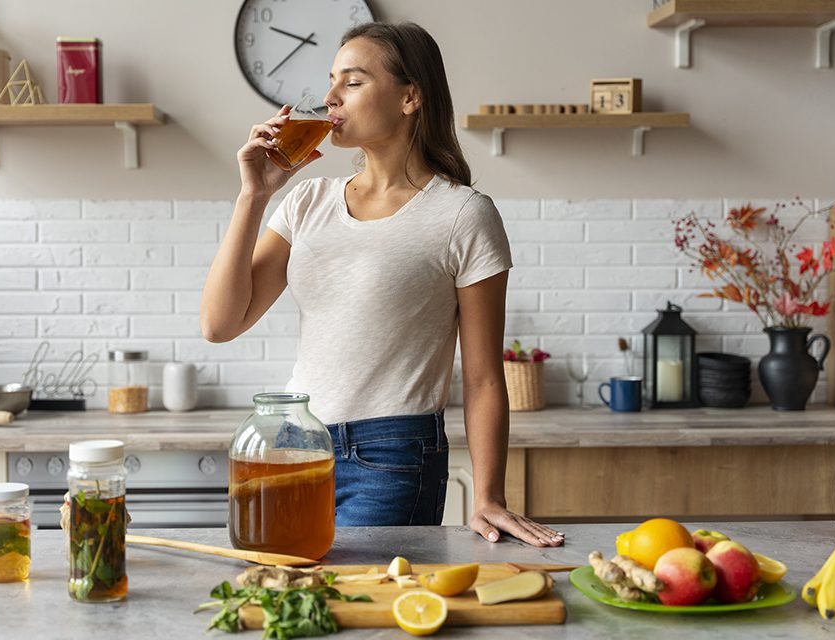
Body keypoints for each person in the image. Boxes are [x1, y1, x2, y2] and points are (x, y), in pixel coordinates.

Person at [201, 21, 564, 547]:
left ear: (409, 97)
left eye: (351, 82)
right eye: (331, 81)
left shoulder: (462, 214)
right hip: (296, 444)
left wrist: (489, 496)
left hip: (391, 456)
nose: (328, 98)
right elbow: (219, 323)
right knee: (289, 598)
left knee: (364, 610)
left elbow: (485, 378)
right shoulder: (307, 201)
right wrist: (252, 196)